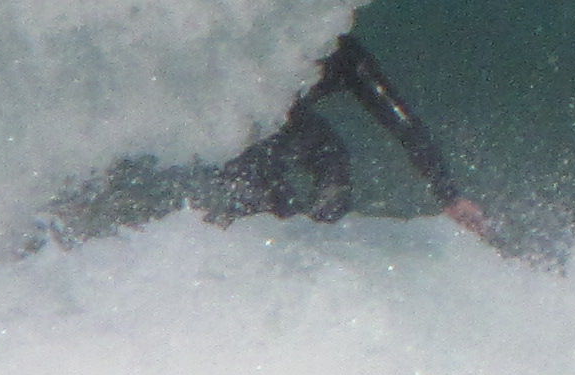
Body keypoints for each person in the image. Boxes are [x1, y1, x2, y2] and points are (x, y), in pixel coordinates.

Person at [34, 35, 497, 246]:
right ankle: (77, 197)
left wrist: (449, 194)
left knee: (326, 160)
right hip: (226, 119)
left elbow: (403, 123)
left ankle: (306, 261)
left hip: (269, 130)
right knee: (272, 184)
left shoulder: (342, 57)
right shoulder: (250, 44)